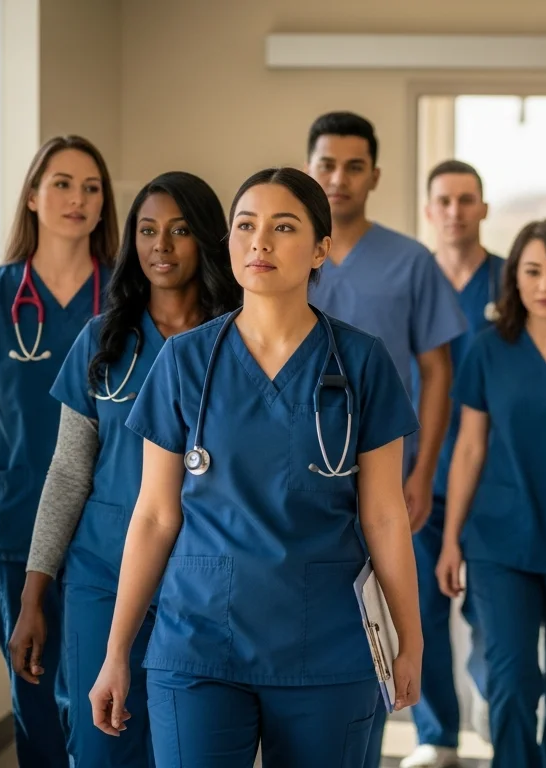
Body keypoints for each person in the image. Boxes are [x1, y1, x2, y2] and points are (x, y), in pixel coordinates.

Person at [87, 167, 424, 766]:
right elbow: (155, 517)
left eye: (283, 226)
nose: (259, 242)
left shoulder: (361, 363)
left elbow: (384, 516)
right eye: (246, 225)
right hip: (198, 646)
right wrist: (116, 651)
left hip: (328, 646)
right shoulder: (184, 362)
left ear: (322, 248)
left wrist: (410, 639)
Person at [7, 172, 242, 768]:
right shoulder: (102, 341)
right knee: (101, 743)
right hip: (101, 574)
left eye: (180, 230)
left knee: (187, 748)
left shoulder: (238, 344)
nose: (160, 245)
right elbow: (67, 473)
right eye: (146, 230)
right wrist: (35, 592)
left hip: (206, 578)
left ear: (208, 240)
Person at [0, 135, 118, 768]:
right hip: (13, 523)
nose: (78, 199)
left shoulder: (127, 297)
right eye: (62, 183)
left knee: (105, 695)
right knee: (34, 690)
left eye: (92, 187)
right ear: (33, 196)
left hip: (105, 527)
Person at [304, 111, 466, 767]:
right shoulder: (286, 251)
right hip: (306, 471)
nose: (338, 179)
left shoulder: (409, 261)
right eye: (325, 164)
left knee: (399, 608)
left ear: (375, 174)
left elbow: (436, 372)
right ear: (308, 167)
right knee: (323, 616)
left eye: (352, 166)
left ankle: (428, 735)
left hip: (386, 470)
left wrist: (422, 471)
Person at [435, 218, 546, 768]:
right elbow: (469, 449)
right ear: (514, 279)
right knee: (510, 683)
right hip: (500, 541)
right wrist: (452, 539)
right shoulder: (488, 350)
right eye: (532, 271)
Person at [402, 159, 500, 768]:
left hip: (493, 476)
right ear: (429, 209)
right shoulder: (412, 278)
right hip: (418, 476)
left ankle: (492, 712)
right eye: (445, 200)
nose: (456, 211)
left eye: (468, 200)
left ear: (483, 209)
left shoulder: (514, 281)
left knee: (492, 611)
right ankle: (435, 736)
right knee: (420, 609)